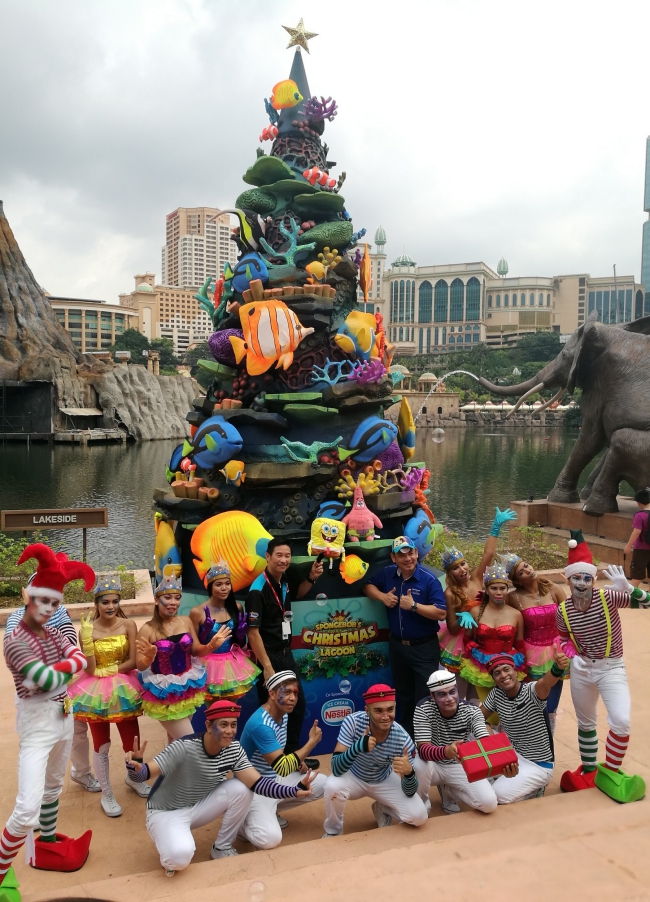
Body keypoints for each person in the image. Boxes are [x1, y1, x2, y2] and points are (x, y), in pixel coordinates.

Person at [125, 699, 317, 875]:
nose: (229, 731)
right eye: (223, 724)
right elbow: (145, 773)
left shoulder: (234, 749)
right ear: (209, 725)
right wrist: (135, 765)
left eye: (233, 725)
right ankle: (168, 844)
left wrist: (294, 789)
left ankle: (222, 847)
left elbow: (258, 783)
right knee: (179, 858)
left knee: (241, 789)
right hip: (165, 811)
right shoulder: (185, 747)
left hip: (199, 806)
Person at [0, 544, 94, 891]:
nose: (49, 607)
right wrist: (70, 664)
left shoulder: (53, 624)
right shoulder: (13, 633)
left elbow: (76, 653)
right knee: (26, 810)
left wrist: (70, 662)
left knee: (54, 786)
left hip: (63, 713)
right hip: (37, 721)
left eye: (54, 601)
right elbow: (48, 678)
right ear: (29, 595)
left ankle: (48, 845)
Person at [556, 531, 650, 803]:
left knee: (620, 721)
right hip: (582, 670)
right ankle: (588, 769)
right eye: (576, 577)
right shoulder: (563, 610)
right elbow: (561, 639)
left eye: (587, 577)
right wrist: (571, 653)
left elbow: (647, 603)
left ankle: (609, 770)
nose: (582, 583)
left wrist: (631, 589)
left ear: (593, 580)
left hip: (611, 667)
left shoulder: (608, 598)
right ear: (567, 578)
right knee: (586, 723)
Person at [4, 579, 100, 795]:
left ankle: (81, 772)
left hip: (64, 691)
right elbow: (25, 665)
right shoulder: (15, 619)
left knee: (76, 732)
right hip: (34, 700)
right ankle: (32, 796)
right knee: (36, 746)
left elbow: (72, 647)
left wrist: (52, 668)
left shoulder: (60, 612)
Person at [67, 574, 149, 818]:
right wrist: (88, 641)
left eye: (115, 601)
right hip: (94, 692)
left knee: (132, 738)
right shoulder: (87, 629)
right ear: (96, 603)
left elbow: (134, 661)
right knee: (101, 742)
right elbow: (90, 669)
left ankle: (134, 777)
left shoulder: (128, 626)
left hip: (124, 686)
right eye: (105, 602)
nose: (111, 606)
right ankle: (107, 793)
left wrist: (111, 671)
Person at [363, 536, 447, 738]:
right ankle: (406, 740)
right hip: (398, 646)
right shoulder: (387, 574)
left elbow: (441, 612)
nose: (407, 558)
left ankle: (426, 742)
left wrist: (415, 606)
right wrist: (382, 596)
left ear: (416, 553)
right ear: (393, 558)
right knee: (403, 695)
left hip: (424, 648)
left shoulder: (429, 579)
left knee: (425, 697)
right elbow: (367, 586)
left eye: (410, 552)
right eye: (401, 554)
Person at [245, 538, 324, 752]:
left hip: (285, 654)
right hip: (268, 657)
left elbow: (299, 593)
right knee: (274, 709)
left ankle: (290, 757)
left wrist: (311, 578)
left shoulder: (284, 580)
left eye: (287, 556)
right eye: (279, 555)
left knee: (295, 706)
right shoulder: (257, 590)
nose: (284, 560)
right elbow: (252, 633)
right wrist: (268, 668)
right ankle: (275, 759)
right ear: (268, 557)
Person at [322, 684, 428, 837]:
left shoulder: (403, 739)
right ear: (367, 710)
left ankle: (382, 808)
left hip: (383, 778)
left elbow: (409, 791)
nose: (385, 716)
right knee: (332, 785)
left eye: (390, 709)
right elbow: (336, 769)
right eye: (378, 710)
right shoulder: (353, 722)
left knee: (419, 816)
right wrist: (356, 748)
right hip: (354, 777)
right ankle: (334, 830)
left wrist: (409, 773)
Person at [238, 671, 327, 848]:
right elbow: (282, 768)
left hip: (273, 779)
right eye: (286, 692)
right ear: (271, 694)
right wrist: (311, 743)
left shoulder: (283, 714)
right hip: (254, 788)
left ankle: (271, 811)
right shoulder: (261, 725)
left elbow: (279, 752)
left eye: (295, 693)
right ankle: (241, 825)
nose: (293, 697)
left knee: (323, 783)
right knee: (269, 840)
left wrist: (297, 761)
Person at [438, 506, 517, 696]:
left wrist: (496, 527)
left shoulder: (476, 579)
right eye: (456, 568)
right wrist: (462, 616)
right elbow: (452, 627)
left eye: (463, 564)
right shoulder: (450, 593)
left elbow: (488, 555)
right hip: (460, 643)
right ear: (450, 573)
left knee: (479, 689)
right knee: (461, 689)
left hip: (482, 637)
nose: (462, 569)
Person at [136, 574, 224, 743]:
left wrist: (211, 646)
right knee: (189, 742)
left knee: (176, 744)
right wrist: (148, 658)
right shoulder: (147, 629)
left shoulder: (186, 621)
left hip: (187, 686)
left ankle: (170, 770)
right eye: (167, 598)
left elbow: (196, 650)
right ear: (156, 600)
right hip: (164, 692)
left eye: (177, 598)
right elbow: (139, 665)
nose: (173, 603)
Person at [480, 644, 570, 803]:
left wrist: (557, 667)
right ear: (494, 680)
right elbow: (477, 717)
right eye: (497, 673)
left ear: (516, 672)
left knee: (497, 796)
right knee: (474, 733)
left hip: (539, 765)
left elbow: (546, 683)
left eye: (507, 669)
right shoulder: (496, 694)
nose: (503, 675)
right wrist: (488, 735)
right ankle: (505, 778)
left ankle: (535, 789)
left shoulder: (531, 691)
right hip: (512, 754)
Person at [413, 669, 499, 815]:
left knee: (489, 804)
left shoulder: (472, 710)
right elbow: (423, 749)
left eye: (452, 692)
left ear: (457, 690)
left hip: (458, 763)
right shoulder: (423, 708)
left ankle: (450, 791)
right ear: (432, 696)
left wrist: (503, 763)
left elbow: (484, 740)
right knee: (418, 763)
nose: (449, 698)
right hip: (432, 764)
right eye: (442, 694)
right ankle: (421, 804)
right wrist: (446, 751)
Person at [502, 552, 567, 732]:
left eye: (527, 565)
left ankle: (548, 747)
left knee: (551, 708)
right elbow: (503, 617)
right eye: (521, 571)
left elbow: (570, 617)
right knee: (532, 704)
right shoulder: (513, 597)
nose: (527, 570)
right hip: (531, 657)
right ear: (517, 580)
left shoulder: (553, 588)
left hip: (556, 652)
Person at [459, 563, 526, 717]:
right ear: (487, 590)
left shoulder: (516, 614)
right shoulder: (475, 611)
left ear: (507, 590)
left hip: (508, 668)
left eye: (502, 588)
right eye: (494, 588)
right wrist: (470, 645)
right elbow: (467, 638)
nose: (498, 592)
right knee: (486, 712)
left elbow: (520, 644)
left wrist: (524, 670)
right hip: (481, 667)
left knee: (506, 712)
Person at [189, 560, 259, 700]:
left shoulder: (237, 607)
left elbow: (239, 643)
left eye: (227, 584)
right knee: (214, 711)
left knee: (231, 710)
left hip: (232, 665)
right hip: (207, 666)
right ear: (210, 586)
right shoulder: (197, 612)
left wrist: (240, 636)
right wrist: (205, 633)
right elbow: (193, 648)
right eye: (219, 584)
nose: (224, 588)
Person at [623, 488, 650, 587]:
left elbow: (637, 531)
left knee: (637, 573)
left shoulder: (640, 515)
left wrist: (628, 546)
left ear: (638, 503)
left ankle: (633, 597)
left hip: (641, 549)